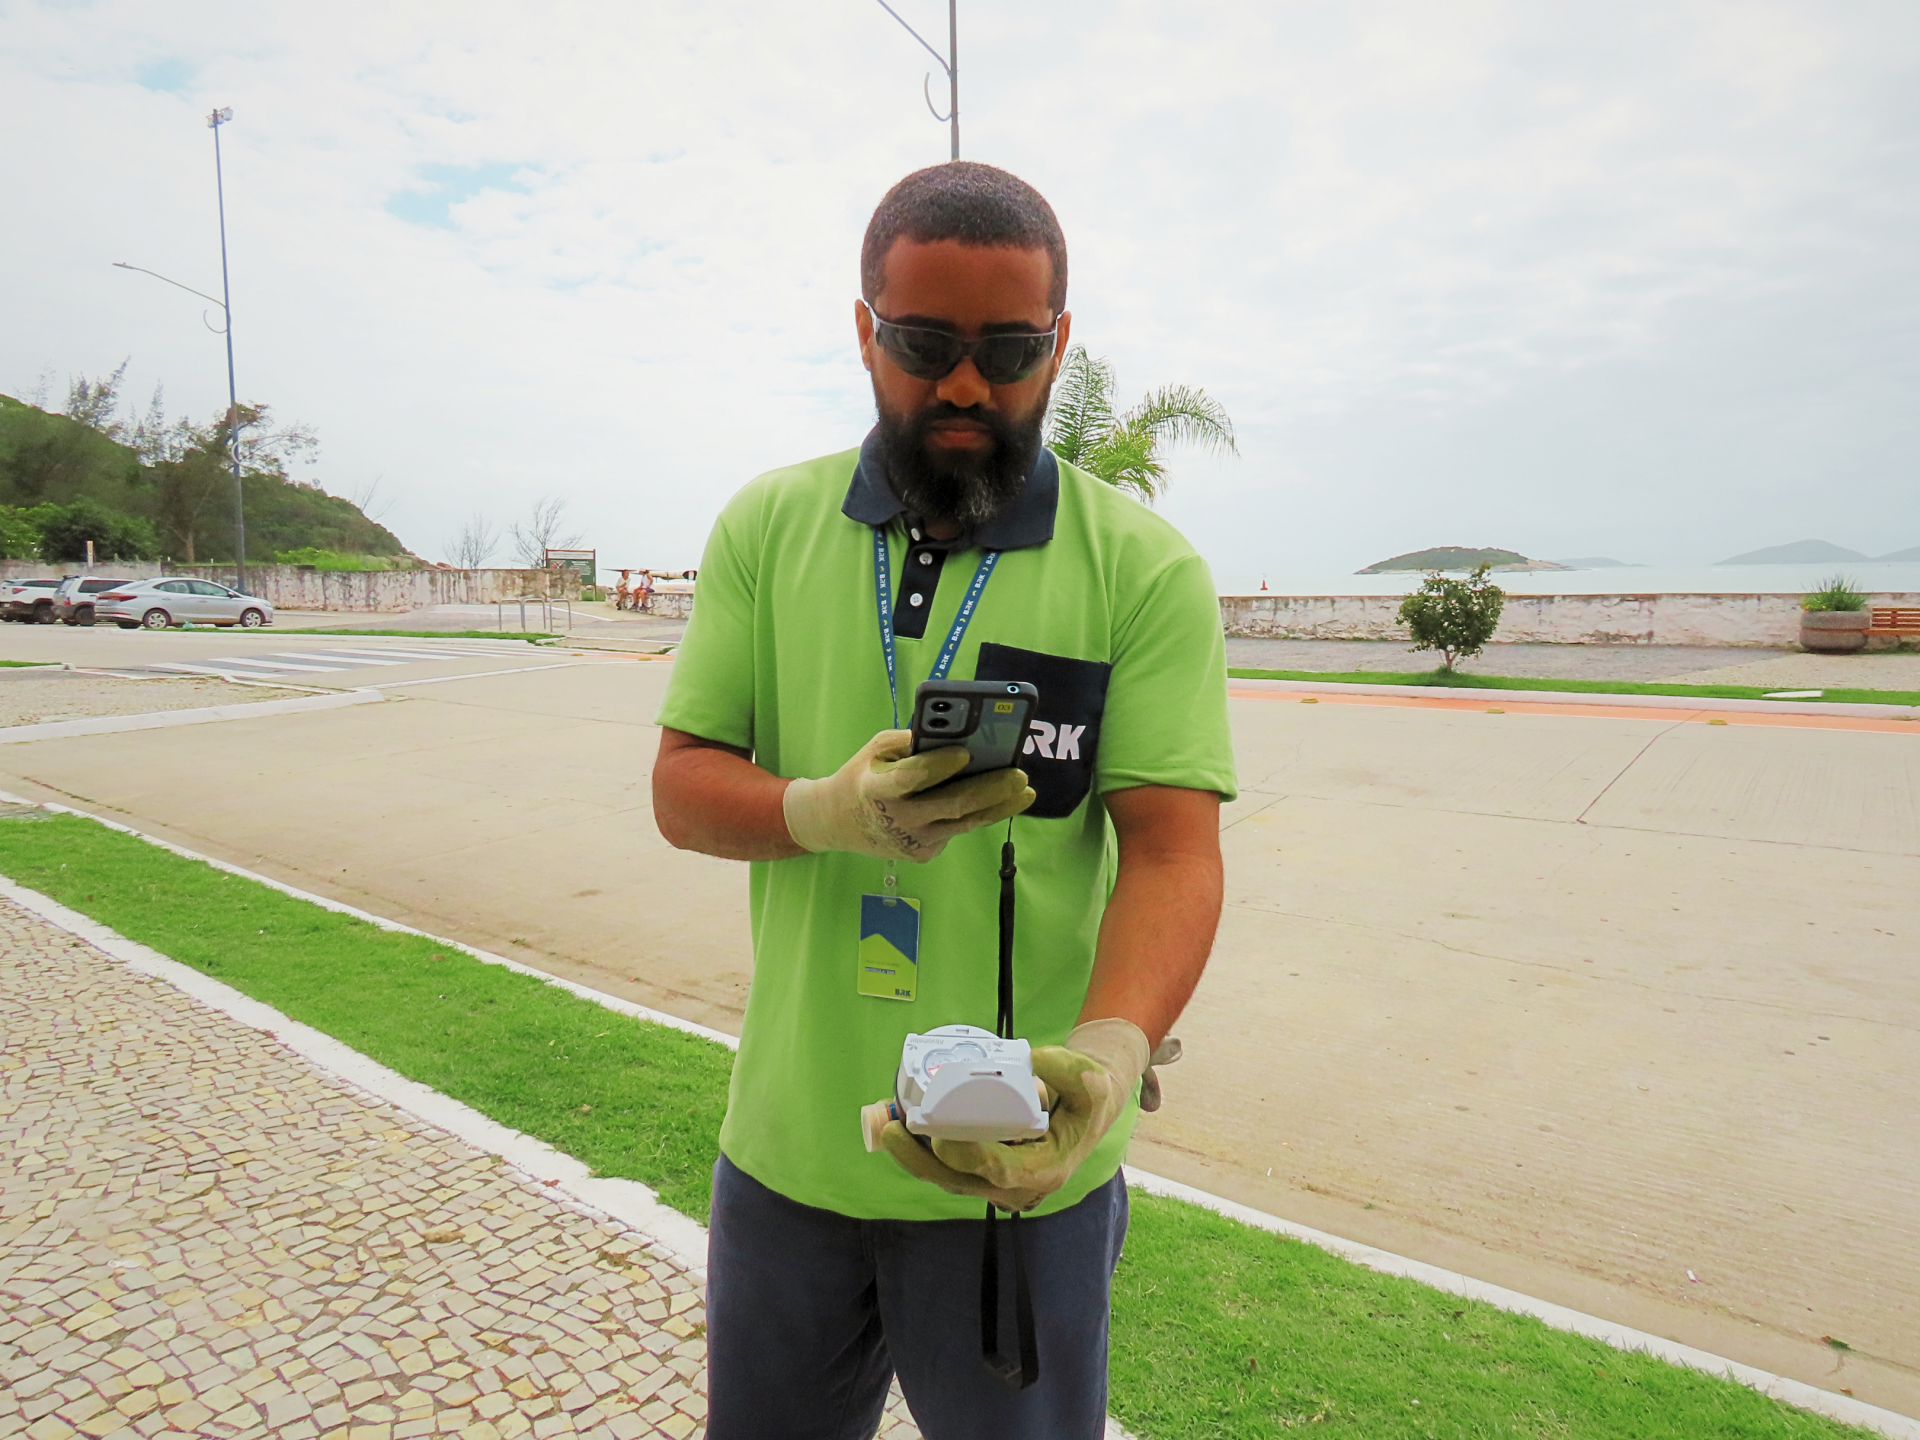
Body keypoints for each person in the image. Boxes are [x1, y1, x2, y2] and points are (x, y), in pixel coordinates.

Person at [651, 160, 1236, 1440]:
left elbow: (1174, 856)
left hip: (1019, 1174)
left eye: (1009, 350)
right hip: (791, 1161)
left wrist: (1113, 1054)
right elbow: (682, 790)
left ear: (1059, 345)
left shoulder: (1142, 568)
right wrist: (823, 812)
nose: (966, 384)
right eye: (925, 344)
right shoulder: (767, 526)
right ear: (866, 330)